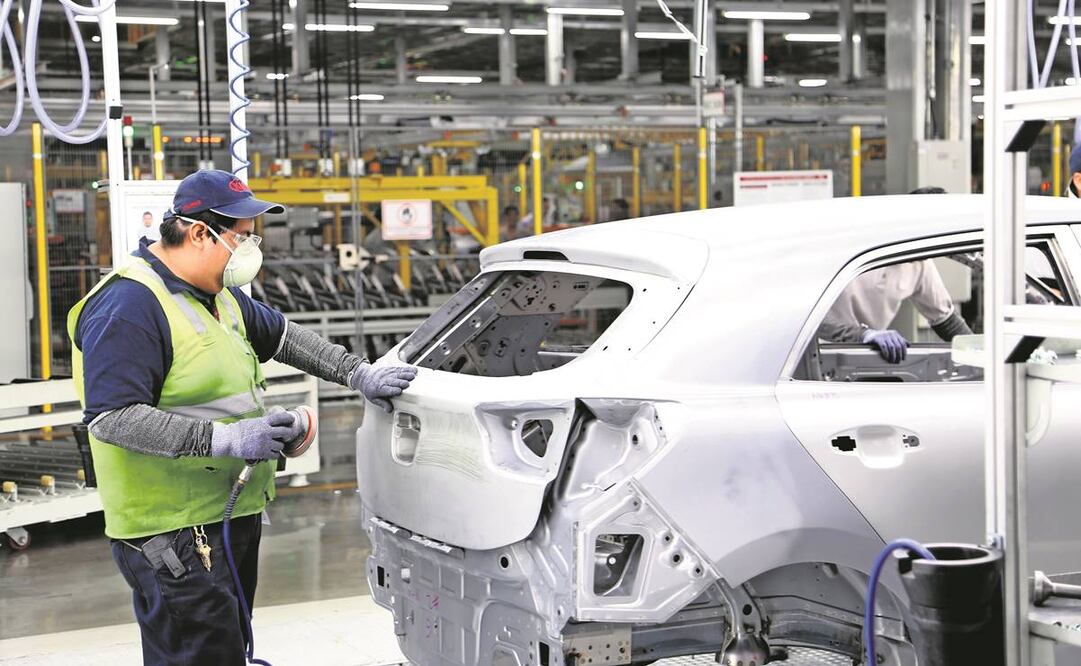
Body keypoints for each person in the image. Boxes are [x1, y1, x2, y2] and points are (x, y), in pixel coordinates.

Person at [67, 169, 418, 665]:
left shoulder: (218, 294)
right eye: (242, 235)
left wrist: (357, 373)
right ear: (198, 233)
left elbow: (284, 338)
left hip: (225, 515)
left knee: (224, 648)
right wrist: (230, 439)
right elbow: (113, 419)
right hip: (170, 528)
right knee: (199, 654)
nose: (251, 246)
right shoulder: (129, 306)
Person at [818, 186, 971, 363]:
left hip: (864, 356)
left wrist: (983, 353)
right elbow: (812, 320)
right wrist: (865, 334)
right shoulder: (853, 249)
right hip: (816, 356)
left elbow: (947, 322)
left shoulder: (920, 262)